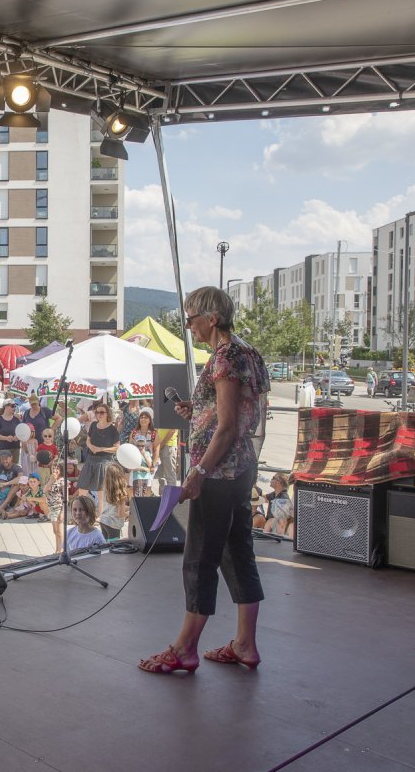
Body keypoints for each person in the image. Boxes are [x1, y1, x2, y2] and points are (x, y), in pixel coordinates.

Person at [139, 285, 270, 676]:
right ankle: (245, 644)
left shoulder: (226, 356)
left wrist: (199, 472)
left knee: (199, 560)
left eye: (191, 318)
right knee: (238, 553)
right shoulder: (247, 351)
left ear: (211, 318)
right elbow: (240, 413)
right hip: (241, 468)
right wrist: (196, 411)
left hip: (219, 472)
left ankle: (184, 649)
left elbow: (229, 426)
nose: (188, 325)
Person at [81, 401, 120, 507]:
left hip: (105, 461)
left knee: (101, 490)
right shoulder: (93, 425)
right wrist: (91, 447)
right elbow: (88, 440)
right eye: (97, 412)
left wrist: (101, 449)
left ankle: (101, 513)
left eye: (102, 412)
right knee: (83, 486)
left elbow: (117, 448)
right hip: (91, 459)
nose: (99, 414)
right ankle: (81, 510)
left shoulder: (113, 429)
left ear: (107, 413)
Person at [99, 462, 132, 540]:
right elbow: (121, 514)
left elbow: (114, 507)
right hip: (113, 524)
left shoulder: (106, 490)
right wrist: (131, 513)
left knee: (106, 547)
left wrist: (130, 507)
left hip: (104, 521)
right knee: (113, 548)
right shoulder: (120, 494)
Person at [129, 407, 157, 497]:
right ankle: (132, 505)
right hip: (135, 462)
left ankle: (146, 505)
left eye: (145, 417)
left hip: (148, 462)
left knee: (148, 485)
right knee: (132, 484)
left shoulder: (154, 433)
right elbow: (130, 448)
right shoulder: (134, 432)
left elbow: (156, 451)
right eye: (141, 417)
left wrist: (152, 465)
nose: (143, 419)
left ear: (150, 420)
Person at [263, 473, 294, 538]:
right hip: (270, 525)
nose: (271, 480)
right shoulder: (274, 494)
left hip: (275, 526)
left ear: (279, 482)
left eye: (273, 478)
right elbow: (263, 498)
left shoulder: (283, 499)